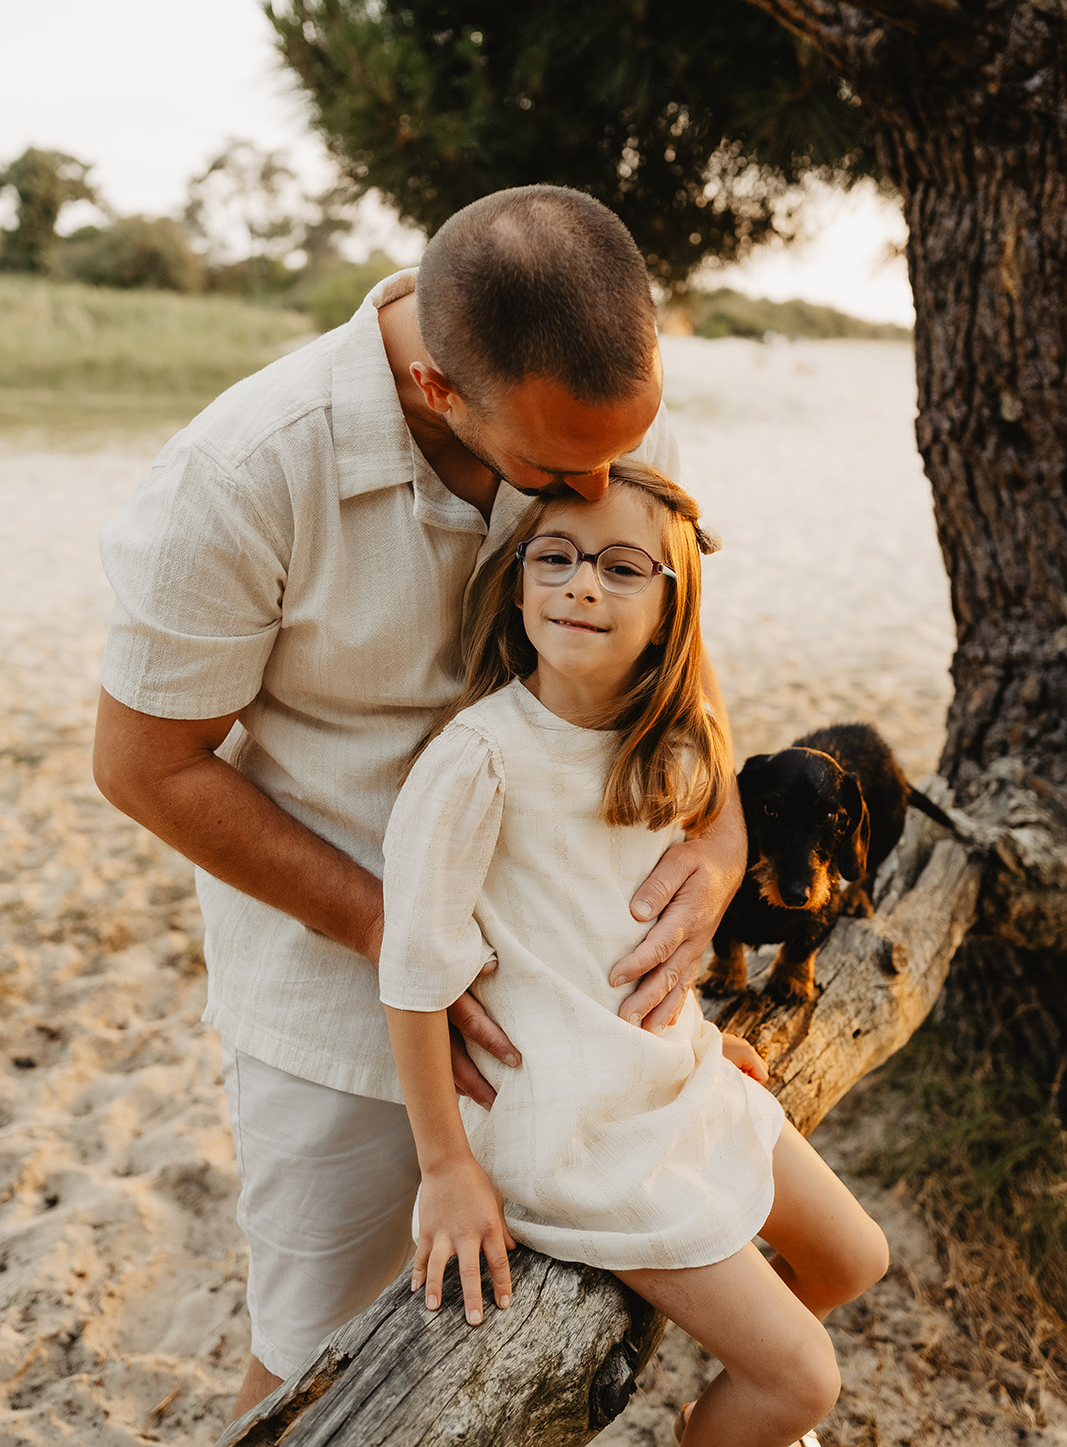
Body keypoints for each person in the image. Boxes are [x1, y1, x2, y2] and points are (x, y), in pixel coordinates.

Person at [91, 185, 749, 1415]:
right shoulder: (238, 474)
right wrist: (398, 934)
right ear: (439, 391)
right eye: (564, 470)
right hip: (342, 1007)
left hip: (578, 988)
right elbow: (143, 764)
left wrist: (717, 837)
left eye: (627, 446)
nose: (607, 480)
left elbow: (677, 657)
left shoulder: (591, 412)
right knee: (315, 1362)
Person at [380, 462, 889, 1447]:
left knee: (852, 1258)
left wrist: (693, 1032)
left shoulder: (676, 745)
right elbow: (412, 970)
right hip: (572, 1124)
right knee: (800, 1383)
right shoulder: (476, 761)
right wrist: (443, 1164)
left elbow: (621, 925)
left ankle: (717, 1410)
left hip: (664, 1071)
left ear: (670, 609)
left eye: (621, 568)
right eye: (556, 558)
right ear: (518, 580)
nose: (579, 584)